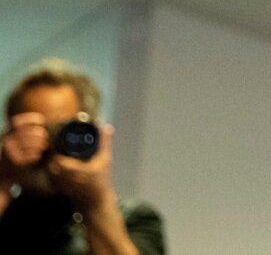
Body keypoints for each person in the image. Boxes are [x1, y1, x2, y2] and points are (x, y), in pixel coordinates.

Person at [0, 60, 164, 255]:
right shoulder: (8, 213)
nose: (51, 145)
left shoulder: (136, 218)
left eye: (62, 130)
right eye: (36, 130)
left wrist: (97, 203)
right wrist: (3, 181)